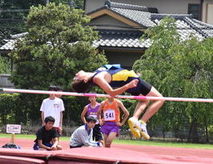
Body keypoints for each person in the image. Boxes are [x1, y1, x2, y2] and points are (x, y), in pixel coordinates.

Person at [72, 64, 165, 139]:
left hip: (130, 79)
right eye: (76, 78)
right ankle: (142, 122)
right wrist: (128, 86)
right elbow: (112, 93)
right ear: (84, 80)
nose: (75, 75)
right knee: (160, 99)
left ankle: (135, 119)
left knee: (144, 100)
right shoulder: (97, 78)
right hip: (131, 81)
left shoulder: (95, 74)